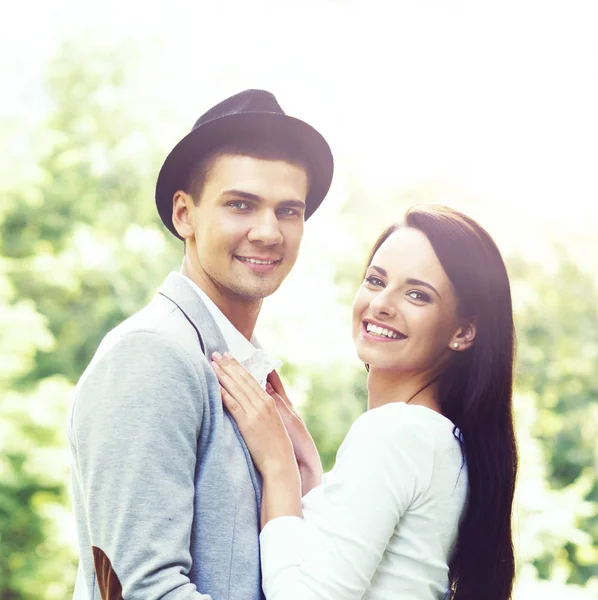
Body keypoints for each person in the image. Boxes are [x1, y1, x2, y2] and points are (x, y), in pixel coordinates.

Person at [67, 89, 334, 599]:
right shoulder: (152, 354)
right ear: (184, 215)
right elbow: (145, 591)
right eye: (240, 204)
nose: (268, 231)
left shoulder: (241, 364)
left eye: (288, 211)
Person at [213, 205, 518, 600]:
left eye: (417, 294)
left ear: (463, 331)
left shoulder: (396, 433)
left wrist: (278, 467)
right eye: (376, 280)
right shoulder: (442, 438)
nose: (382, 304)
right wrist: (307, 473)